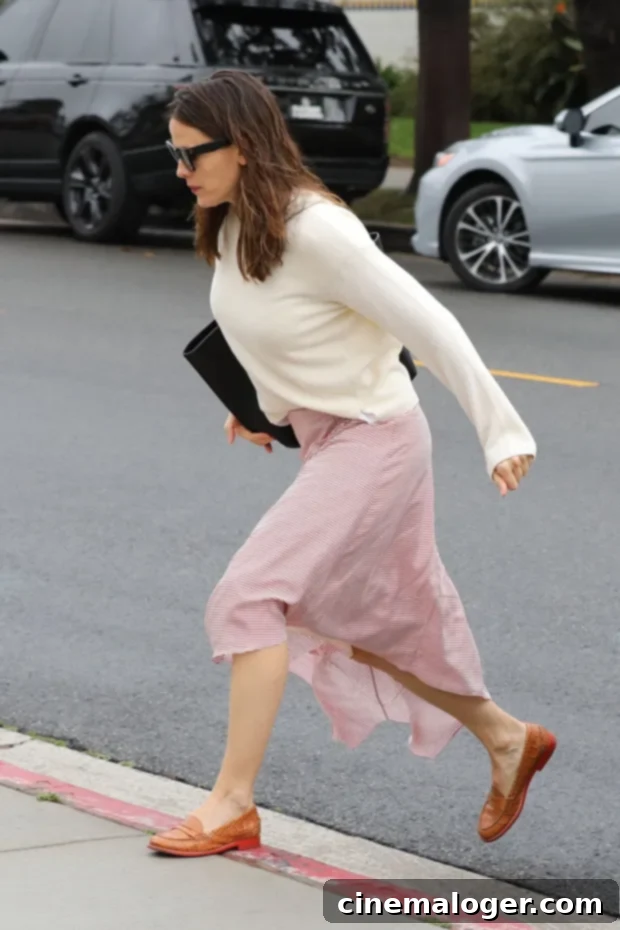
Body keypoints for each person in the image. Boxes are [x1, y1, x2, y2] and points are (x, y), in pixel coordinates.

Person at [149, 70, 555, 859]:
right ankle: (508, 739)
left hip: (376, 441)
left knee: (249, 597)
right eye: (175, 154)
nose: (181, 170)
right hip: (331, 440)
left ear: (245, 144)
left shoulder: (319, 230)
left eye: (194, 153)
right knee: (369, 625)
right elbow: (274, 324)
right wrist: (261, 406)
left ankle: (232, 804)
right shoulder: (232, 222)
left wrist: (501, 431)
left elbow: (428, 324)